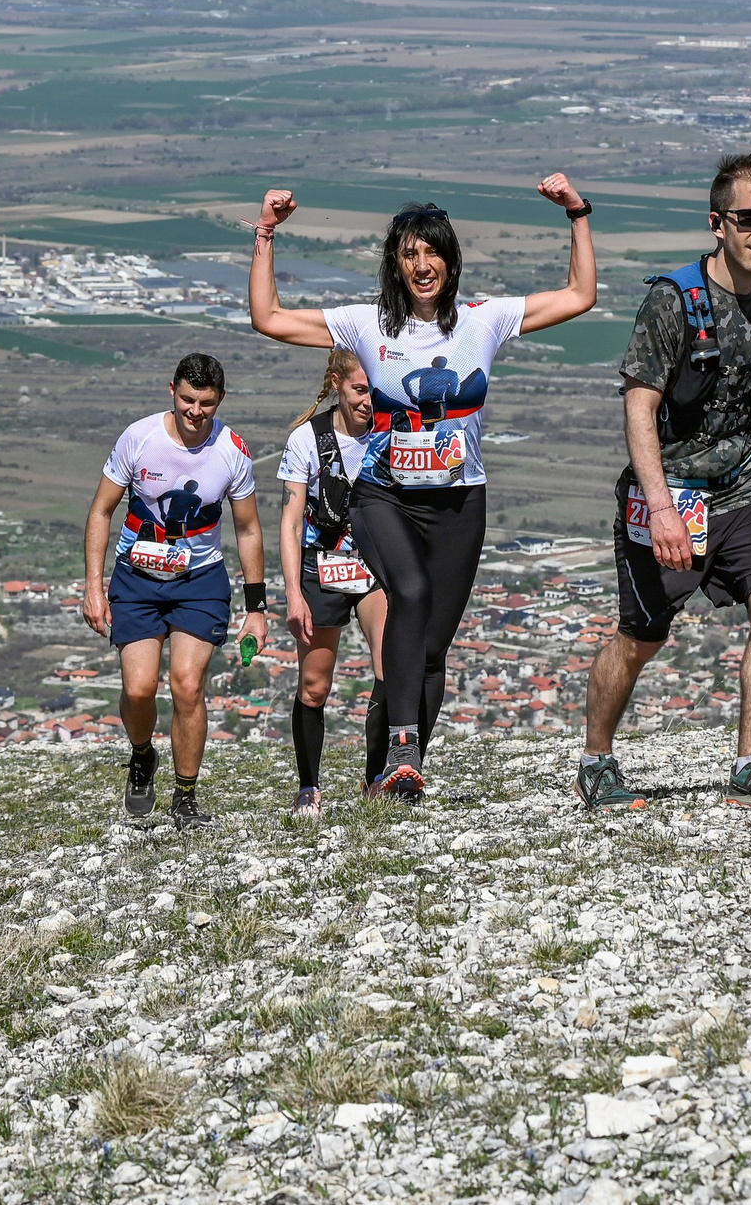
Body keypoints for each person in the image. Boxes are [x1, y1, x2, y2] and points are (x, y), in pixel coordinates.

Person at [250, 174, 597, 802]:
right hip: (384, 495)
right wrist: (267, 233)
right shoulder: (364, 325)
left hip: (460, 500)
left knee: (432, 648)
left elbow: (580, 296)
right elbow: (268, 317)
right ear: (395, 264)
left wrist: (577, 213)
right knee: (407, 594)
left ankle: (391, 771)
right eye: (408, 253)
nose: (421, 264)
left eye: (431, 250)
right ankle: (405, 746)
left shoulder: (481, 322)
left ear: (449, 258)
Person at [579, 151, 751, 813]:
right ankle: (596, 759)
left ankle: (750, 765)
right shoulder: (672, 302)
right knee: (641, 637)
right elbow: (639, 403)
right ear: (718, 222)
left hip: (740, 488)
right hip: (669, 491)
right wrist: (658, 507)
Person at [82, 352, 267, 830]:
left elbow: (247, 530)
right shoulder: (138, 438)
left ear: (219, 400)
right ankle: (142, 755)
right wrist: (94, 587)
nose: (195, 411)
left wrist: (256, 608)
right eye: (187, 399)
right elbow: (102, 510)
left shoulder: (233, 450)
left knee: (187, 685)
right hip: (137, 577)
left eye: (206, 403)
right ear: (172, 391)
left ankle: (185, 796)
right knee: (139, 688)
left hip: (199, 580)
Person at [278, 348, 391, 819]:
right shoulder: (307, 439)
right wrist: (291, 594)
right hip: (319, 566)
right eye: (360, 390)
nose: (368, 400)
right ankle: (309, 787)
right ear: (337, 384)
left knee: (390, 669)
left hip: (373, 565)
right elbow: (288, 518)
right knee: (314, 685)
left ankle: (376, 780)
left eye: (375, 391)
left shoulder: (390, 432)